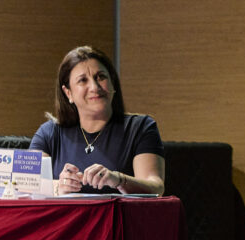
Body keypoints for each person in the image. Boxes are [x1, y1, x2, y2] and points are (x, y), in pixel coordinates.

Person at [32, 45, 165, 195]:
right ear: (68, 93)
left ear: (112, 83)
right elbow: (28, 183)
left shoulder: (141, 127)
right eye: (83, 80)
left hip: (119, 217)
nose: (94, 87)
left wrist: (118, 179)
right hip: (66, 218)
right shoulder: (49, 133)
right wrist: (58, 187)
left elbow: (156, 187)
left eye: (101, 77)